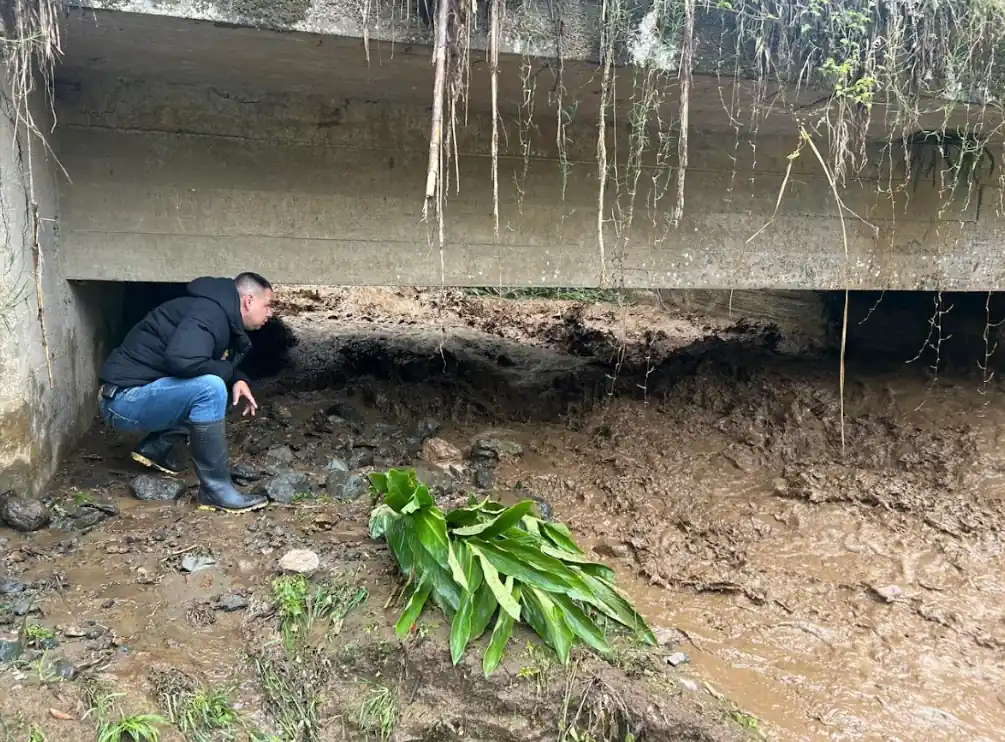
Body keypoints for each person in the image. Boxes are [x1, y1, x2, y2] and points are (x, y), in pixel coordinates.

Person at [97, 273, 275, 514]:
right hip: (123, 401)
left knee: (213, 385)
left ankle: (157, 448)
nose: (270, 313)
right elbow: (183, 361)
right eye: (268, 305)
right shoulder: (208, 314)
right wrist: (226, 373)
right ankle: (215, 491)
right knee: (210, 388)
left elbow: (202, 359)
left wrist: (237, 378)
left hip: (135, 394)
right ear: (248, 301)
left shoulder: (215, 312)